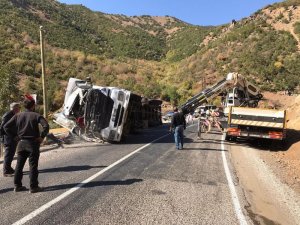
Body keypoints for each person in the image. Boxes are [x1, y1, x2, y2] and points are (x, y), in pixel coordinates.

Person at [4, 96, 49, 193]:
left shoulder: (17, 115)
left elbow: (5, 127)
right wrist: (41, 137)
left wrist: (14, 136)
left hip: (21, 144)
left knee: (19, 165)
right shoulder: (36, 115)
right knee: (33, 166)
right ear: (33, 106)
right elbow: (46, 126)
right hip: (33, 143)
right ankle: (33, 187)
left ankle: (17, 186)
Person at [0, 102, 21, 177]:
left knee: (11, 154)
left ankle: (9, 169)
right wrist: (13, 136)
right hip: (8, 138)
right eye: (18, 107)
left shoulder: (13, 114)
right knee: (8, 155)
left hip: (12, 138)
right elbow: (4, 127)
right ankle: (6, 171)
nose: (19, 109)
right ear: (15, 108)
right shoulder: (8, 115)